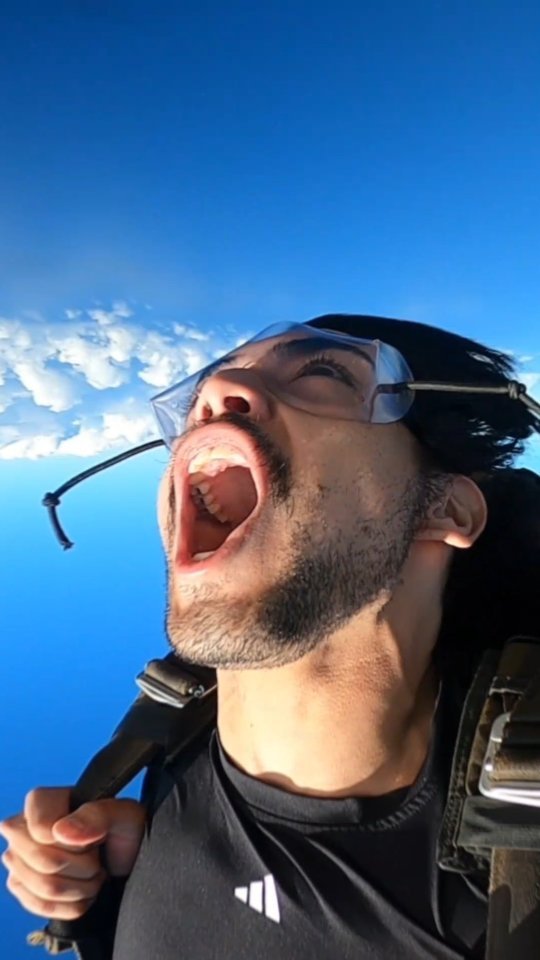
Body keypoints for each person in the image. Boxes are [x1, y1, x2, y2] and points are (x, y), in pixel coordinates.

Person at [2, 314, 540, 960]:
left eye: (322, 371)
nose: (217, 388)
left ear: (446, 509)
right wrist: (101, 904)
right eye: (207, 383)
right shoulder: (151, 769)